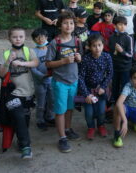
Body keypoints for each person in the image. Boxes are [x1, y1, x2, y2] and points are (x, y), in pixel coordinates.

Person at [0, 27, 39, 159]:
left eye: (20, 37)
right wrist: (9, 61)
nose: (18, 39)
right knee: (19, 116)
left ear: (24, 37)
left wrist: (22, 63)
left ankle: (21, 141)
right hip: (12, 93)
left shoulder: (28, 51)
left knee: (25, 118)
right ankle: (26, 146)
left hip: (28, 91)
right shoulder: (5, 54)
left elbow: (35, 63)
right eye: (15, 37)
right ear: (9, 38)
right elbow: (1, 74)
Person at [45, 11, 83, 153]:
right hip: (60, 82)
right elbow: (48, 64)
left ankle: (67, 129)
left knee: (69, 108)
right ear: (60, 25)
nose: (69, 25)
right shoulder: (55, 43)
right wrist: (63, 61)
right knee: (60, 110)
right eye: (65, 23)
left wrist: (79, 58)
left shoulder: (77, 41)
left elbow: (80, 59)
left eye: (71, 23)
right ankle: (62, 138)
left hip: (74, 80)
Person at [78, 34, 113, 140]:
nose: (97, 48)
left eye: (99, 45)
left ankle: (101, 126)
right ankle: (91, 127)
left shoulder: (107, 57)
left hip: (100, 90)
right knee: (89, 112)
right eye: (94, 45)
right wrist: (86, 94)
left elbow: (110, 73)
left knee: (101, 111)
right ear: (89, 46)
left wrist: (103, 86)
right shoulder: (86, 59)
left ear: (103, 45)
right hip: (88, 90)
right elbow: (80, 77)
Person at [30, 28, 55, 131]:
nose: (40, 39)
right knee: (41, 103)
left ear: (46, 37)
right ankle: (40, 120)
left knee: (52, 101)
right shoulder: (33, 52)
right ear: (34, 40)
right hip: (39, 82)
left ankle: (50, 117)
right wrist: (42, 76)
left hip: (52, 81)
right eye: (37, 37)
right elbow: (32, 68)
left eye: (42, 37)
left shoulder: (51, 49)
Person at [108, 16, 134, 103]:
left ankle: (124, 104)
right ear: (114, 26)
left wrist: (122, 51)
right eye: (120, 24)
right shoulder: (111, 38)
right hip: (115, 67)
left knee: (124, 86)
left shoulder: (128, 38)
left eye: (124, 24)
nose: (122, 26)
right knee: (114, 85)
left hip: (125, 68)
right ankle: (115, 103)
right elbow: (110, 53)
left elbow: (130, 55)